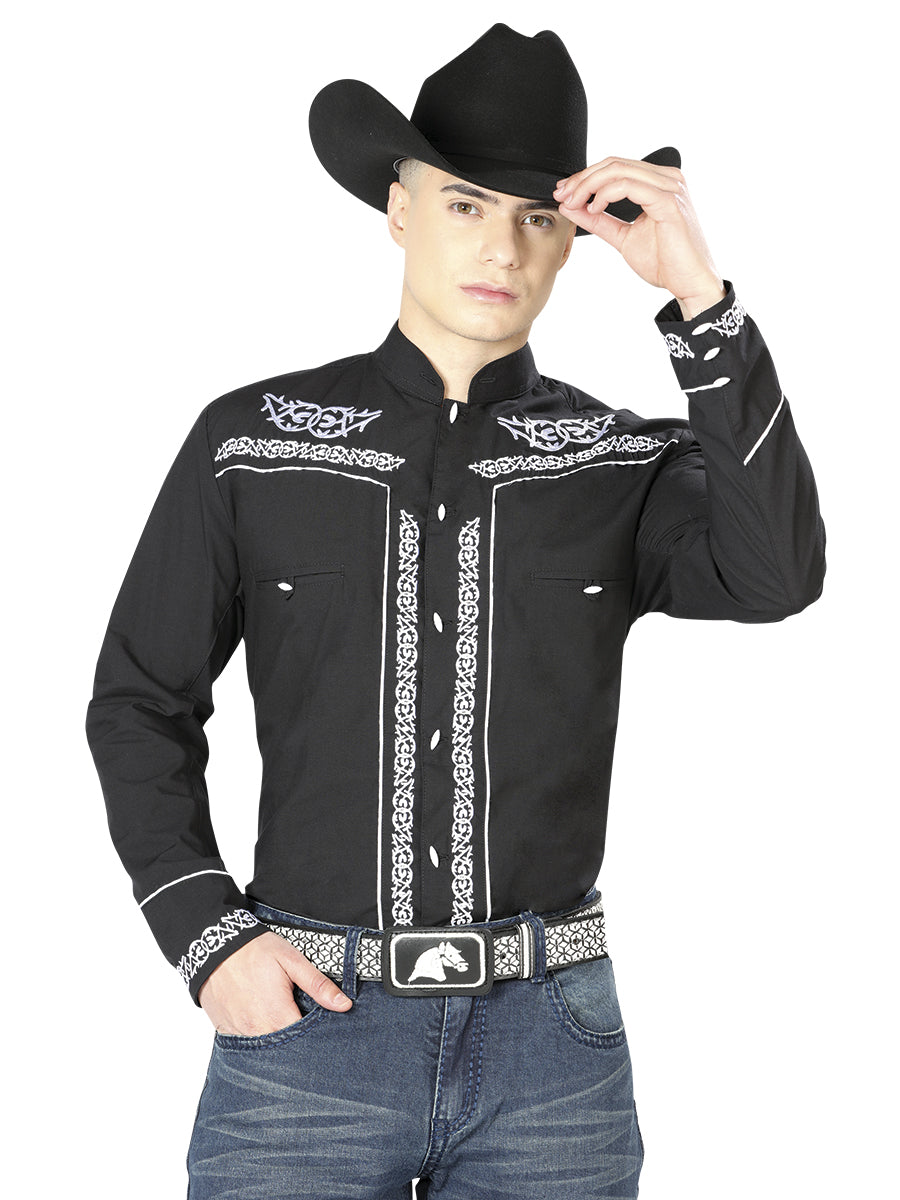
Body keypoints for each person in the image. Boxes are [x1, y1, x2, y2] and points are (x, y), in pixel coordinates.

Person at [85, 22, 825, 1200]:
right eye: (467, 204)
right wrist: (207, 940)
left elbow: (776, 574)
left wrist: (704, 302)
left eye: (538, 218)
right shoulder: (253, 443)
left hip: (554, 1063)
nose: (502, 246)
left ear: (573, 242)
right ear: (399, 208)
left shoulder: (615, 462)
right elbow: (139, 701)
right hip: (304, 1041)